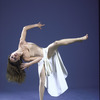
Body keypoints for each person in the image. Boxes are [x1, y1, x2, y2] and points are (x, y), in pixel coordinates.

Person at [7, 22, 88, 100]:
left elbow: (24, 28)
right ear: (17, 60)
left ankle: (80, 39)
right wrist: (29, 64)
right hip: (43, 59)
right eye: (14, 59)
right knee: (42, 81)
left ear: (11, 53)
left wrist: (36, 25)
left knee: (56, 43)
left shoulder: (21, 42)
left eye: (12, 56)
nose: (14, 56)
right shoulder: (26, 58)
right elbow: (40, 58)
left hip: (46, 51)